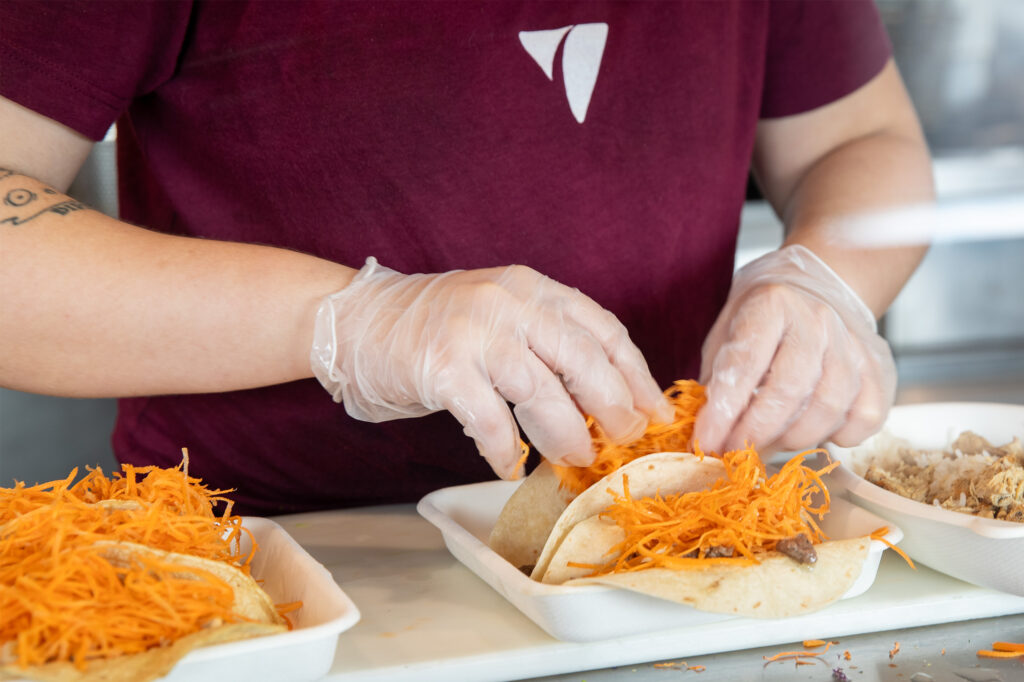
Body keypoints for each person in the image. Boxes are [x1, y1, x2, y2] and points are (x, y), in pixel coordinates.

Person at [0, 1, 933, 515]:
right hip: (270, 563)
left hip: (663, 538)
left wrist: (826, 280)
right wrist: (354, 324)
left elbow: (857, 139)